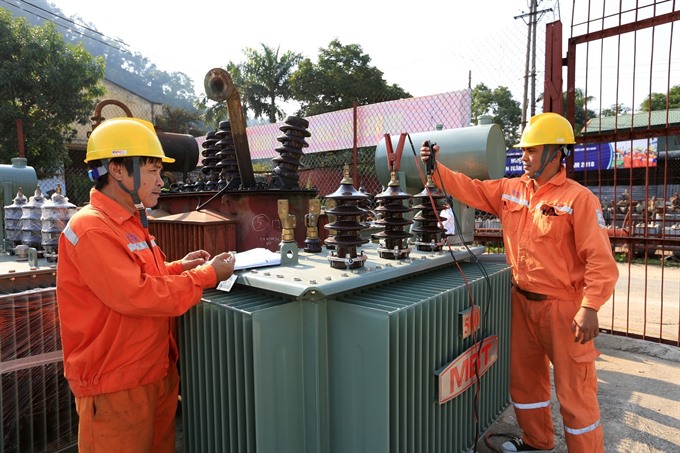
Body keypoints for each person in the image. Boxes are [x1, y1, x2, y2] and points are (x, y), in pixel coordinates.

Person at [421, 112, 619, 453]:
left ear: (556, 153)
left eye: (532, 150)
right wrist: (436, 169)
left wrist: (590, 307)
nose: (524, 157)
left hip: (563, 309)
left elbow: (600, 260)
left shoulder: (578, 200)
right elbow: (471, 189)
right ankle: (537, 442)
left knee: (575, 392)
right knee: (526, 381)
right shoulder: (512, 190)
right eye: (523, 150)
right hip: (521, 302)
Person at [56, 117, 235, 452]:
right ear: (118, 170)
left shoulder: (128, 220)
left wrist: (179, 267)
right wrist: (207, 276)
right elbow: (136, 295)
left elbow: (140, 276)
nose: (161, 181)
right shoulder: (92, 228)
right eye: (153, 170)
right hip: (115, 384)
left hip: (152, 371)